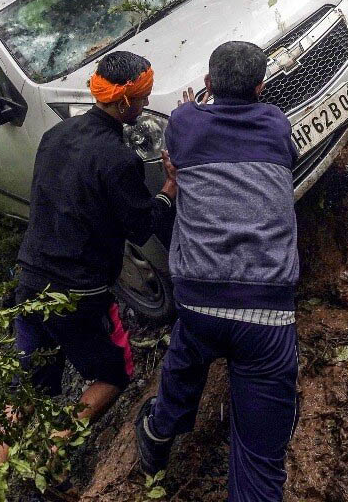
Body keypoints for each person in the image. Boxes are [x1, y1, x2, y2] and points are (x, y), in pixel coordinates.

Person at [0, 51, 177, 493]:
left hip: (31, 280)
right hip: (78, 294)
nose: (146, 105)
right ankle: (52, 459)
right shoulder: (117, 159)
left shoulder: (55, 136)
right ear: (126, 103)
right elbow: (140, 225)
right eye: (144, 98)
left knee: (28, 389)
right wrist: (168, 189)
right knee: (114, 373)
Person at [135, 42, 299, 502]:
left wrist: (193, 110)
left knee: (188, 352)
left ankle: (160, 429)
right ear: (261, 88)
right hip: (267, 315)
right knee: (260, 461)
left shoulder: (185, 122)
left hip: (198, 298)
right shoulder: (276, 123)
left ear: (208, 85)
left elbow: (186, 131)